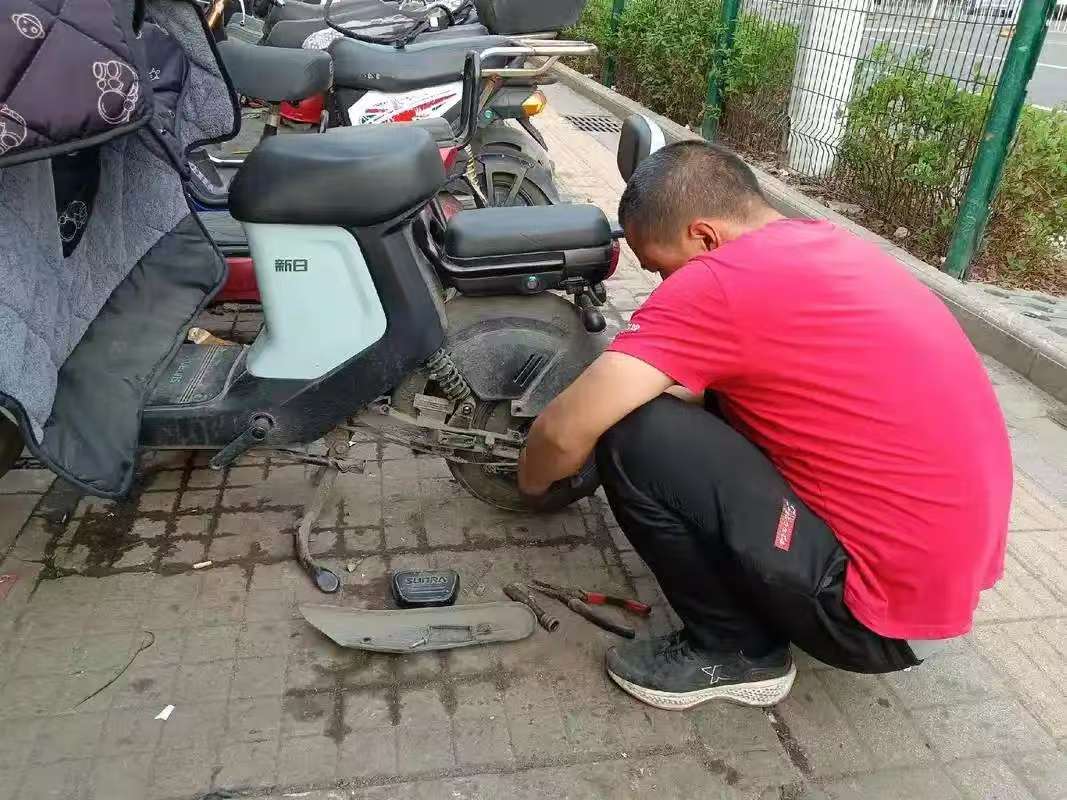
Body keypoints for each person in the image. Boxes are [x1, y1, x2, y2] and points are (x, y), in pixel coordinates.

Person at [517, 140, 1012, 711]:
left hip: (870, 620)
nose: (661, 287)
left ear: (704, 237)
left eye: (660, 270)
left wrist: (534, 485)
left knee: (635, 436)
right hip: (938, 589)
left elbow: (564, 431)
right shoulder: (821, 242)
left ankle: (737, 652)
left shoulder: (721, 281)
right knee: (703, 399)